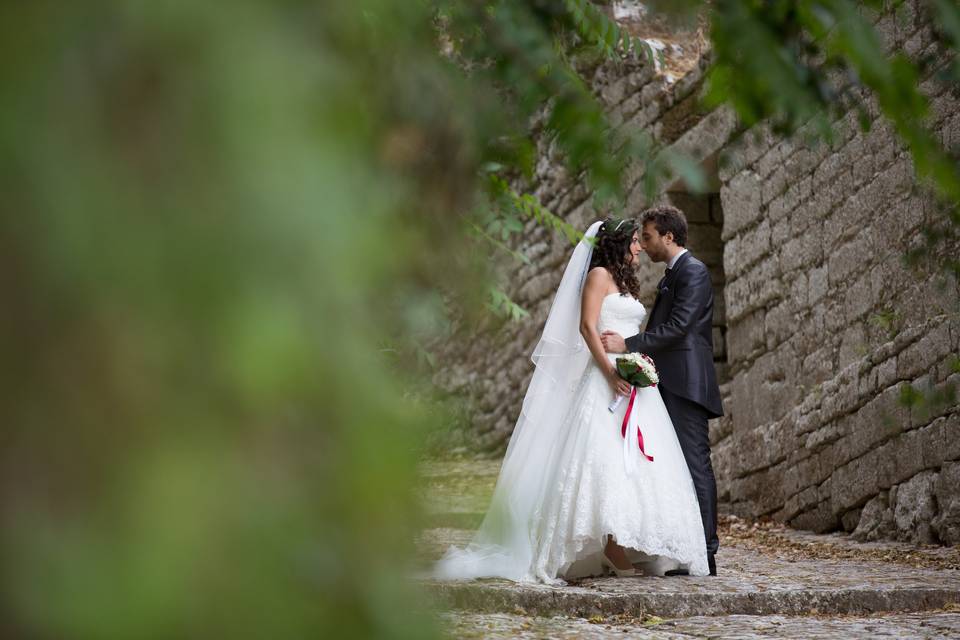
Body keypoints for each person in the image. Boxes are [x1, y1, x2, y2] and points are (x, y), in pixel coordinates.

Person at [435, 219, 709, 584]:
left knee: (638, 462)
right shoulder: (597, 274)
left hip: (634, 379)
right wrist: (610, 373)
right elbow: (586, 327)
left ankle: (629, 541)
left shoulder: (626, 281)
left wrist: (635, 360)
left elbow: (628, 332)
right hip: (605, 378)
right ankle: (609, 545)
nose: (639, 247)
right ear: (617, 243)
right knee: (603, 456)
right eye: (633, 241)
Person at [600, 205, 723, 576]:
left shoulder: (694, 272)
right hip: (669, 383)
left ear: (669, 237)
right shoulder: (674, 274)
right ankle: (686, 546)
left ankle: (706, 551)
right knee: (679, 468)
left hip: (687, 385)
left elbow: (681, 327)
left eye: (649, 236)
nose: (645, 244)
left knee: (696, 466)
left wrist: (630, 344)